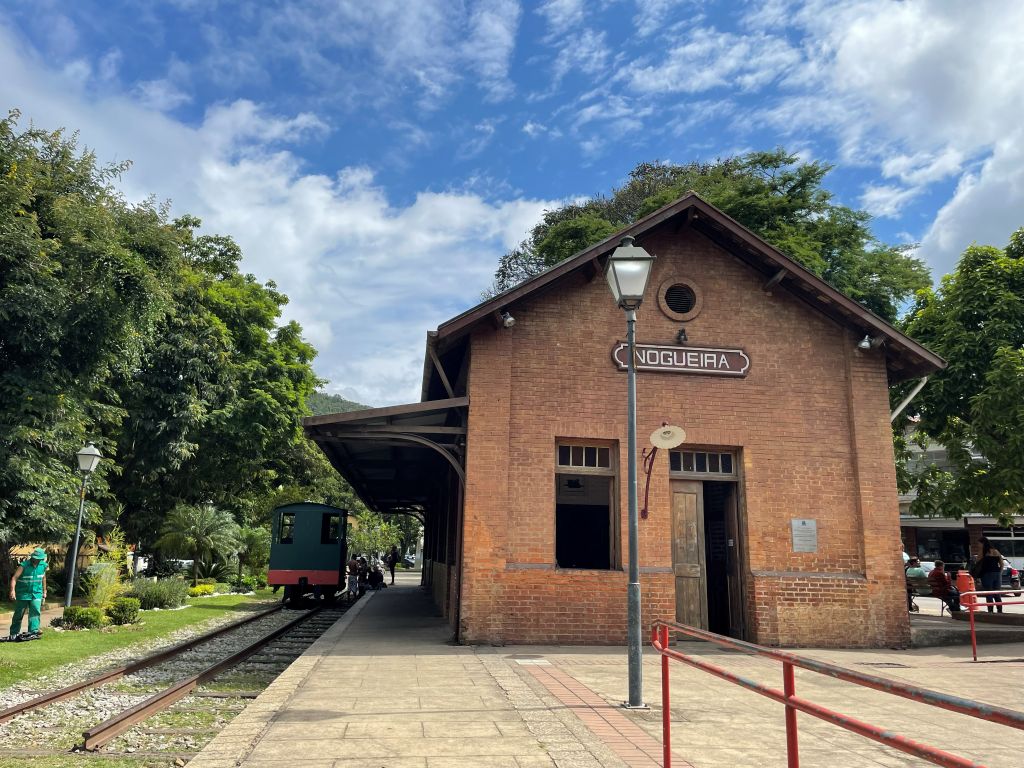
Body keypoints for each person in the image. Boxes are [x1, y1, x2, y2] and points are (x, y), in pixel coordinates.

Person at [9, 548, 48, 640]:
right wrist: (12, 591)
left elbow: (43, 578)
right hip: (23, 593)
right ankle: (14, 633)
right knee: (19, 614)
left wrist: (44, 591)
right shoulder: (24, 565)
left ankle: (33, 632)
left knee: (35, 611)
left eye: (39, 559)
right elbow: (14, 578)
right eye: (36, 558)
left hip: (37, 593)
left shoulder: (43, 566)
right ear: (33, 557)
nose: (37, 560)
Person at [977, 538, 1005, 613]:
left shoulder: (983, 552)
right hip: (997, 573)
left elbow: (978, 562)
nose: (978, 545)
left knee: (989, 593)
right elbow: (1002, 564)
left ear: (983, 543)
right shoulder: (996, 551)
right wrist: (1000, 573)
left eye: (979, 544)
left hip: (987, 574)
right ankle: (1000, 610)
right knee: (997, 593)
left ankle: (990, 611)